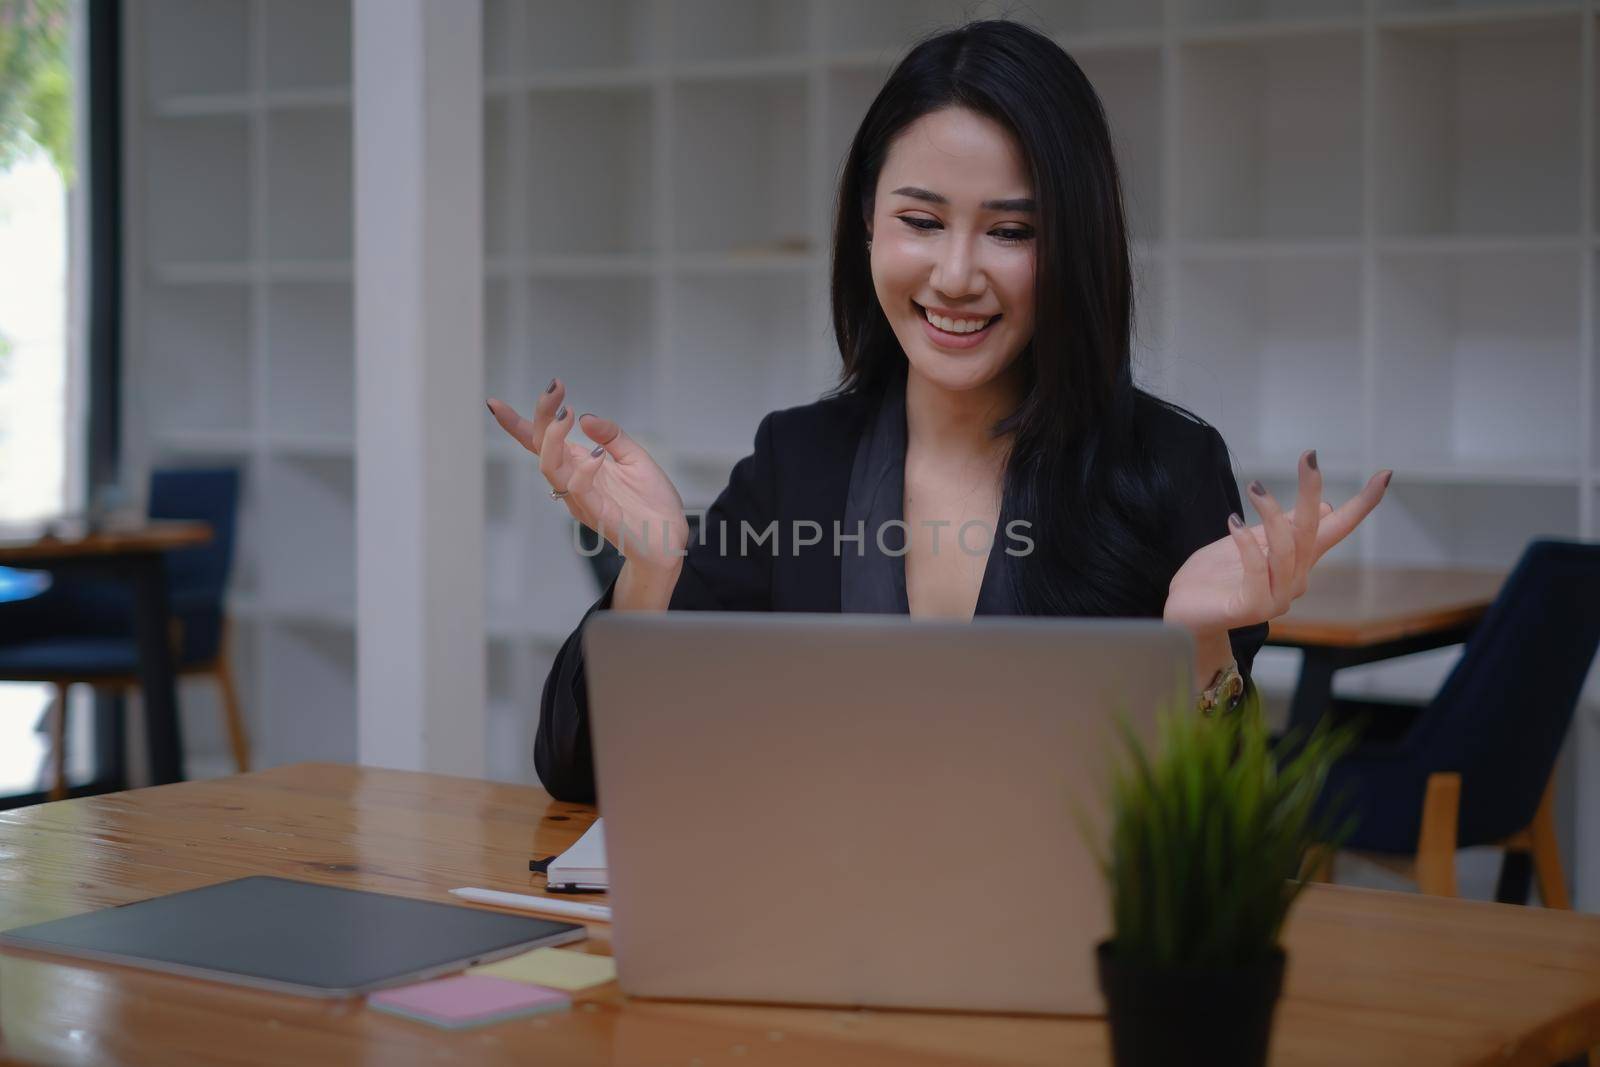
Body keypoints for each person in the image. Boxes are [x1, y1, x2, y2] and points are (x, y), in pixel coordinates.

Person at [487, 20, 1390, 804]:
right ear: (868, 226)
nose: (957, 275)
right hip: (821, 941)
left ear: (1075, 246)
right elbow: (578, 773)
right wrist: (648, 574)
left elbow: (1214, 850)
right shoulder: (795, 463)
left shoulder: (1167, 465)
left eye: (1011, 231)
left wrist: (1197, 645)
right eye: (922, 220)